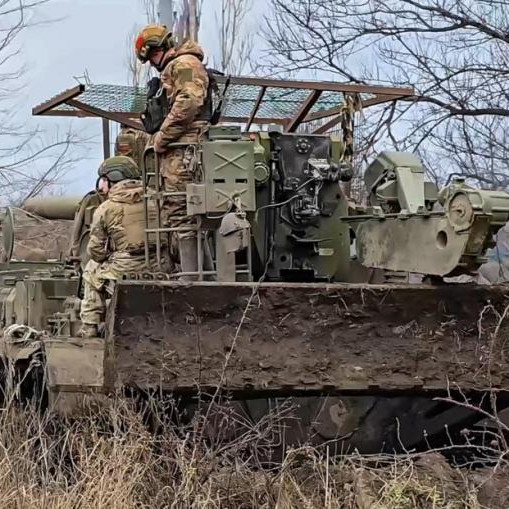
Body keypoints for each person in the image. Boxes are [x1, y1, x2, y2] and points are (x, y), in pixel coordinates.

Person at [134, 24, 209, 276]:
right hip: (180, 151)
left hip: (184, 152)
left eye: (150, 57)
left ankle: (194, 282)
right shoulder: (176, 66)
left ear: (157, 49)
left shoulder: (184, 64)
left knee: (184, 215)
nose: (151, 63)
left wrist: (161, 138)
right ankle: (199, 278)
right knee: (183, 217)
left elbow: (189, 100)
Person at [79, 156, 150, 338]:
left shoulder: (105, 208)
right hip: (159, 266)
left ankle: (90, 326)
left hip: (123, 269)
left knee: (90, 271)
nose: (102, 187)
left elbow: (96, 251)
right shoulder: (156, 199)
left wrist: (111, 255)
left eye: (104, 180)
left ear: (113, 179)